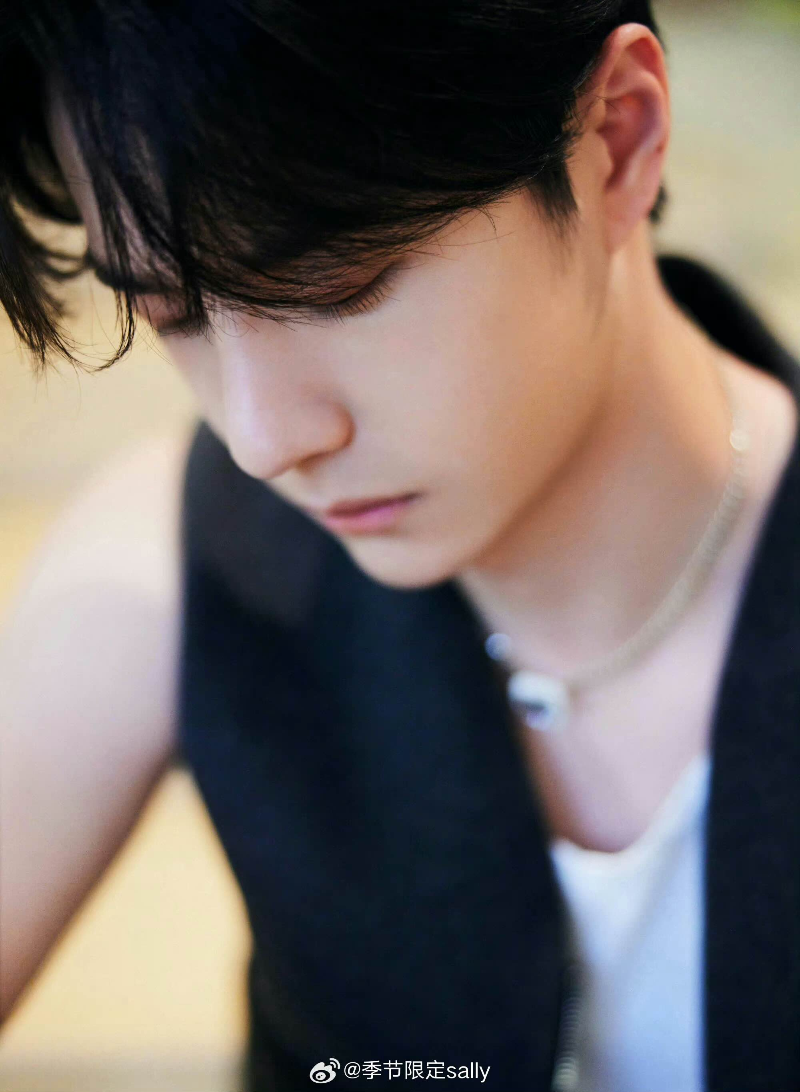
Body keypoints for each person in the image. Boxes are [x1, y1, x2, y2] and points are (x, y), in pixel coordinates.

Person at [1, 2, 798, 1089]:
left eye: (338, 286)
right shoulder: (167, 570)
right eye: (171, 314)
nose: (262, 439)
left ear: (615, 137)